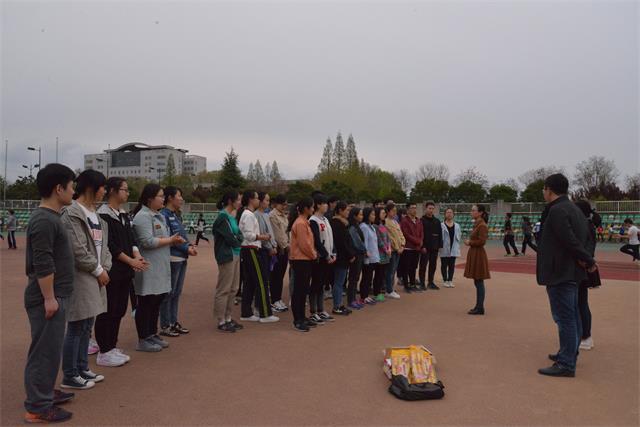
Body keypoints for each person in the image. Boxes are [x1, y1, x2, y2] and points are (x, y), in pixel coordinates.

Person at [23, 164, 76, 424]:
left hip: (55, 294)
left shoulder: (52, 217)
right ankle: (38, 406)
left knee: (51, 349)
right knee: (44, 351)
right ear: (59, 189)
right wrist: (49, 298)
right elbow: (43, 262)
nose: (73, 191)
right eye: (71, 186)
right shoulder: (44, 220)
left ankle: (44, 392)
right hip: (47, 296)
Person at [536, 173, 596, 378]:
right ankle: (569, 353)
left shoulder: (557, 210)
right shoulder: (575, 209)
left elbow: (568, 240)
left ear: (549, 189)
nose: (543, 192)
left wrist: (588, 260)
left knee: (565, 317)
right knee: (573, 315)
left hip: (560, 271)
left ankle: (566, 363)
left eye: (544, 189)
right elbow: (584, 239)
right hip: (572, 271)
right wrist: (586, 259)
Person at [60, 170, 112, 390]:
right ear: (92, 187)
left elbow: (104, 248)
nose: (104, 192)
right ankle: (70, 374)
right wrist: (98, 270)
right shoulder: (72, 213)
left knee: (87, 326)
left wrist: (105, 267)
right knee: (76, 325)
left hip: (96, 275)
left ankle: (82, 367)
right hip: (82, 276)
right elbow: (78, 249)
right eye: (102, 188)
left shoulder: (96, 216)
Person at [95, 177, 148, 367]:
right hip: (111, 270)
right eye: (124, 189)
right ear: (113, 191)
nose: (127, 193)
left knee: (119, 309)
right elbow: (111, 246)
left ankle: (112, 346)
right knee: (107, 310)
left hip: (125, 271)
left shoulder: (124, 214)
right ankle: (104, 350)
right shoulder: (103, 215)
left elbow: (131, 239)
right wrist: (131, 260)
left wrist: (137, 255)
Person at [132, 184, 186, 352]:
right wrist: (171, 240)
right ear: (150, 198)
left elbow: (162, 238)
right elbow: (147, 241)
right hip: (149, 267)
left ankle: (152, 333)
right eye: (160, 196)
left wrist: (172, 241)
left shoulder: (158, 216)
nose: (163, 199)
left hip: (161, 266)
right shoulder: (142, 216)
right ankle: (143, 338)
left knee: (156, 302)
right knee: (146, 302)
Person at [237, 190, 279, 323]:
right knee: (262, 281)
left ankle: (246, 312)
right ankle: (265, 314)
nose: (258, 201)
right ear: (251, 200)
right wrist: (262, 237)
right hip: (251, 249)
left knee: (249, 282)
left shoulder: (247, 214)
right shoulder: (249, 215)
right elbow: (248, 235)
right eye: (256, 198)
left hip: (248, 249)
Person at [160, 187, 197, 337]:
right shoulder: (164, 215)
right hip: (172, 258)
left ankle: (173, 321)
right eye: (179, 196)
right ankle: (165, 325)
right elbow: (170, 238)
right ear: (170, 198)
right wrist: (187, 248)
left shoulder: (175, 215)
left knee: (176, 293)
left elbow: (181, 235)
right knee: (168, 293)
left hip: (181, 257)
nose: (181, 199)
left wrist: (189, 245)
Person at [212, 191, 245, 333]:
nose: (240, 202)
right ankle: (221, 320)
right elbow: (231, 238)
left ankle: (228, 317)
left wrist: (238, 239)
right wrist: (238, 240)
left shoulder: (232, 217)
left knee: (234, 288)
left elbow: (239, 235)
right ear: (231, 201)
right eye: (238, 200)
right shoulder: (222, 217)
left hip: (235, 254)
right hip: (227, 256)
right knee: (224, 288)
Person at [574, 200, 602, 352]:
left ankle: (585, 336)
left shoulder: (584, 225)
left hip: (582, 268)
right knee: (581, 303)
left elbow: (587, 248)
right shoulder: (588, 224)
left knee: (580, 303)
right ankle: (585, 336)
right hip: (584, 266)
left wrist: (585, 261)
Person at [289, 197, 318, 332]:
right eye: (311, 207)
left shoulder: (304, 222)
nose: (313, 209)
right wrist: (313, 254)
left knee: (303, 289)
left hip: (305, 259)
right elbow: (304, 244)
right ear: (306, 208)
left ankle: (302, 317)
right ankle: (297, 320)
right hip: (300, 259)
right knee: (299, 290)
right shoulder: (300, 223)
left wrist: (312, 254)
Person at [309, 194, 336, 324]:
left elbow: (330, 238)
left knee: (322, 284)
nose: (327, 206)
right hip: (319, 258)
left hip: (328, 257)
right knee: (316, 284)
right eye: (324, 203)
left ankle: (321, 310)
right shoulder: (313, 220)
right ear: (318, 205)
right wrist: (326, 255)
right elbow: (317, 241)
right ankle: (313, 311)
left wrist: (333, 253)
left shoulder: (325, 219)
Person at [463, 204, 490, 315]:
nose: (471, 212)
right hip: (475, 253)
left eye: (473, 210)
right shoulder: (477, 224)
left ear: (480, 213)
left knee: (479, 281)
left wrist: (470, 242)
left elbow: (482, 241)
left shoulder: (482, 225)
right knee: (477, 281)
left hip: (478, 254)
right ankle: (479, 306)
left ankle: (480, 307)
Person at [330, 201, 355, 315]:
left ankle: (339, 304)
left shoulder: (341, 223)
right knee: (338, 282)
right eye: (347, 210)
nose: (348, 212)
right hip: (341, 257)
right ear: (340, 210)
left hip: (341, 256)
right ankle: (337, 306)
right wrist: (350, 255)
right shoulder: (337, 224)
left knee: (339, 281)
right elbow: (342, 243)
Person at [256, 192, 279, 312]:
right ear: (260, 201)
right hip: (263, 251)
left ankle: (265, 304)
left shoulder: (265, 214)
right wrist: (270, 247)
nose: (268, 203)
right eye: (266, 200)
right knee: (263, 279)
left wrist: (274, 245)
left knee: (267, 279)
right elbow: (262, 234)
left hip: (270, 249)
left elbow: (271, 233)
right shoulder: (257, 215)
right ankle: (260, 306)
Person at [268, 194, 290, 313]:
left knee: (280, 275)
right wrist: (286, 246)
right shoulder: (273, 215)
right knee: (275, 275)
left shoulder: (284, 215)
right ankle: (274, 300)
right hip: (278, 249)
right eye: (283, 204)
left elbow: (286, 232)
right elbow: (278, 234)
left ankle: (278, 298)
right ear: (277, 204)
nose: (285, 206)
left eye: (286, 204)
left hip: (285, 249)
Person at [400, 203, 423, 293]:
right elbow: (406, 234)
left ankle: (413, 284)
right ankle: (406, 285)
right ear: (408, 210)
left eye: (415, 208)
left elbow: (422, 232)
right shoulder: (404, 221)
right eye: (412, 208)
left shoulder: (418, 221)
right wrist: (417, 241)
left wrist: (421, 241)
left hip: (416, 248)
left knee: (413, 267)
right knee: (406, 267)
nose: (414, 210)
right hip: (408, 248)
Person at [359, 207, 381, 305]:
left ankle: (366, 295)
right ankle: (363, 296)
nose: (374, 216)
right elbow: (365, 243)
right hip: (368, 257)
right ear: (367, 215)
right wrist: (366, 257)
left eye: (374, 214)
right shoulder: (363, 227)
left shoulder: (371, 226)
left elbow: (374, 243)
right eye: (372, 214)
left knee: (369, 277)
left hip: (374, 256)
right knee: (366, 277)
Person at [419, 201, 442, 290]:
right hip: (425, 247)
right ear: (426, 209)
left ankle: (431, 282)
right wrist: (422, 246)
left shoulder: (437, 221)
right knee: (423, 266)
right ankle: (422, 283)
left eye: (432, 208)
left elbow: (440, 234)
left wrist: (439, 245)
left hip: (434, 247)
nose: (431, 210)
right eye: (429, 208)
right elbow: (420, 234)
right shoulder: (421, 220)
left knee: (433, 266)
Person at [384, 203, 405, 299]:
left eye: (395, 211)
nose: (395, 212)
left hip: (399, 250)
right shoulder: (386, 222)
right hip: (392, 250)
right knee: (390, 271)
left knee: (393, 270)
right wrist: (397, 248)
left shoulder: (395, 222)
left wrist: (403, 244)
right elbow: (389, 238)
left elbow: (401, 234)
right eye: (393, 211)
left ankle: (391, 288)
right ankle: (389, 290)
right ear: (388, 211)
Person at [347, 207, 366, 310]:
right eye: (360, 214)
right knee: (353, 278)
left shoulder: (357, 226)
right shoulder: (352, 227)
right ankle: (351, 300)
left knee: (356, 277)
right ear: (355, 216)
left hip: (359, 254)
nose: (362, 216)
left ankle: (353, 298)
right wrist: (365, 249)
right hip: (356, 255)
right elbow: (357, 242)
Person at [373, 207, 392, 302]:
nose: (385, 214)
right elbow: (379, 240)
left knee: (382, 274)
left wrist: (389, 247)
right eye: (383, 213)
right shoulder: (375, 226)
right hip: (380, 254)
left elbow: (388, 238)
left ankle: (380, 292)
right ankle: (376, 293)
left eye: (385, 213)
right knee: (378, 274)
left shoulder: (383, 225)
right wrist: (385, 249)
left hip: (386, 254)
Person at [440, 208, 461, 288]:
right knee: (444, 265)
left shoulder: (457, 226)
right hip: (444, 248)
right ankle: (445, 280)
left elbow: (459, 236)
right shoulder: (441, 225)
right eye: (447, 212)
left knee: (452, 265)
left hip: (453, 247)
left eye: (451, 212)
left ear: (453, 214)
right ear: (445, 214)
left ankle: (450, 280)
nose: (449, 214)